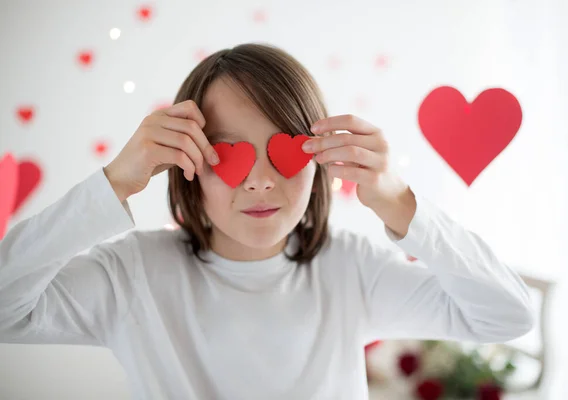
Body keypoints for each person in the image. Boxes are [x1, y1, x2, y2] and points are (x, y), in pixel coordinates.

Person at [0, 43, 534, 400]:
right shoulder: (129, 274)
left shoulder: (350, 269)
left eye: (283, 151)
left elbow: (505, 316)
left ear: (319, 160)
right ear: (188, 165)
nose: (258, 181)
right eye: (229, 154)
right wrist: (115, 180)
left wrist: (398, 201)